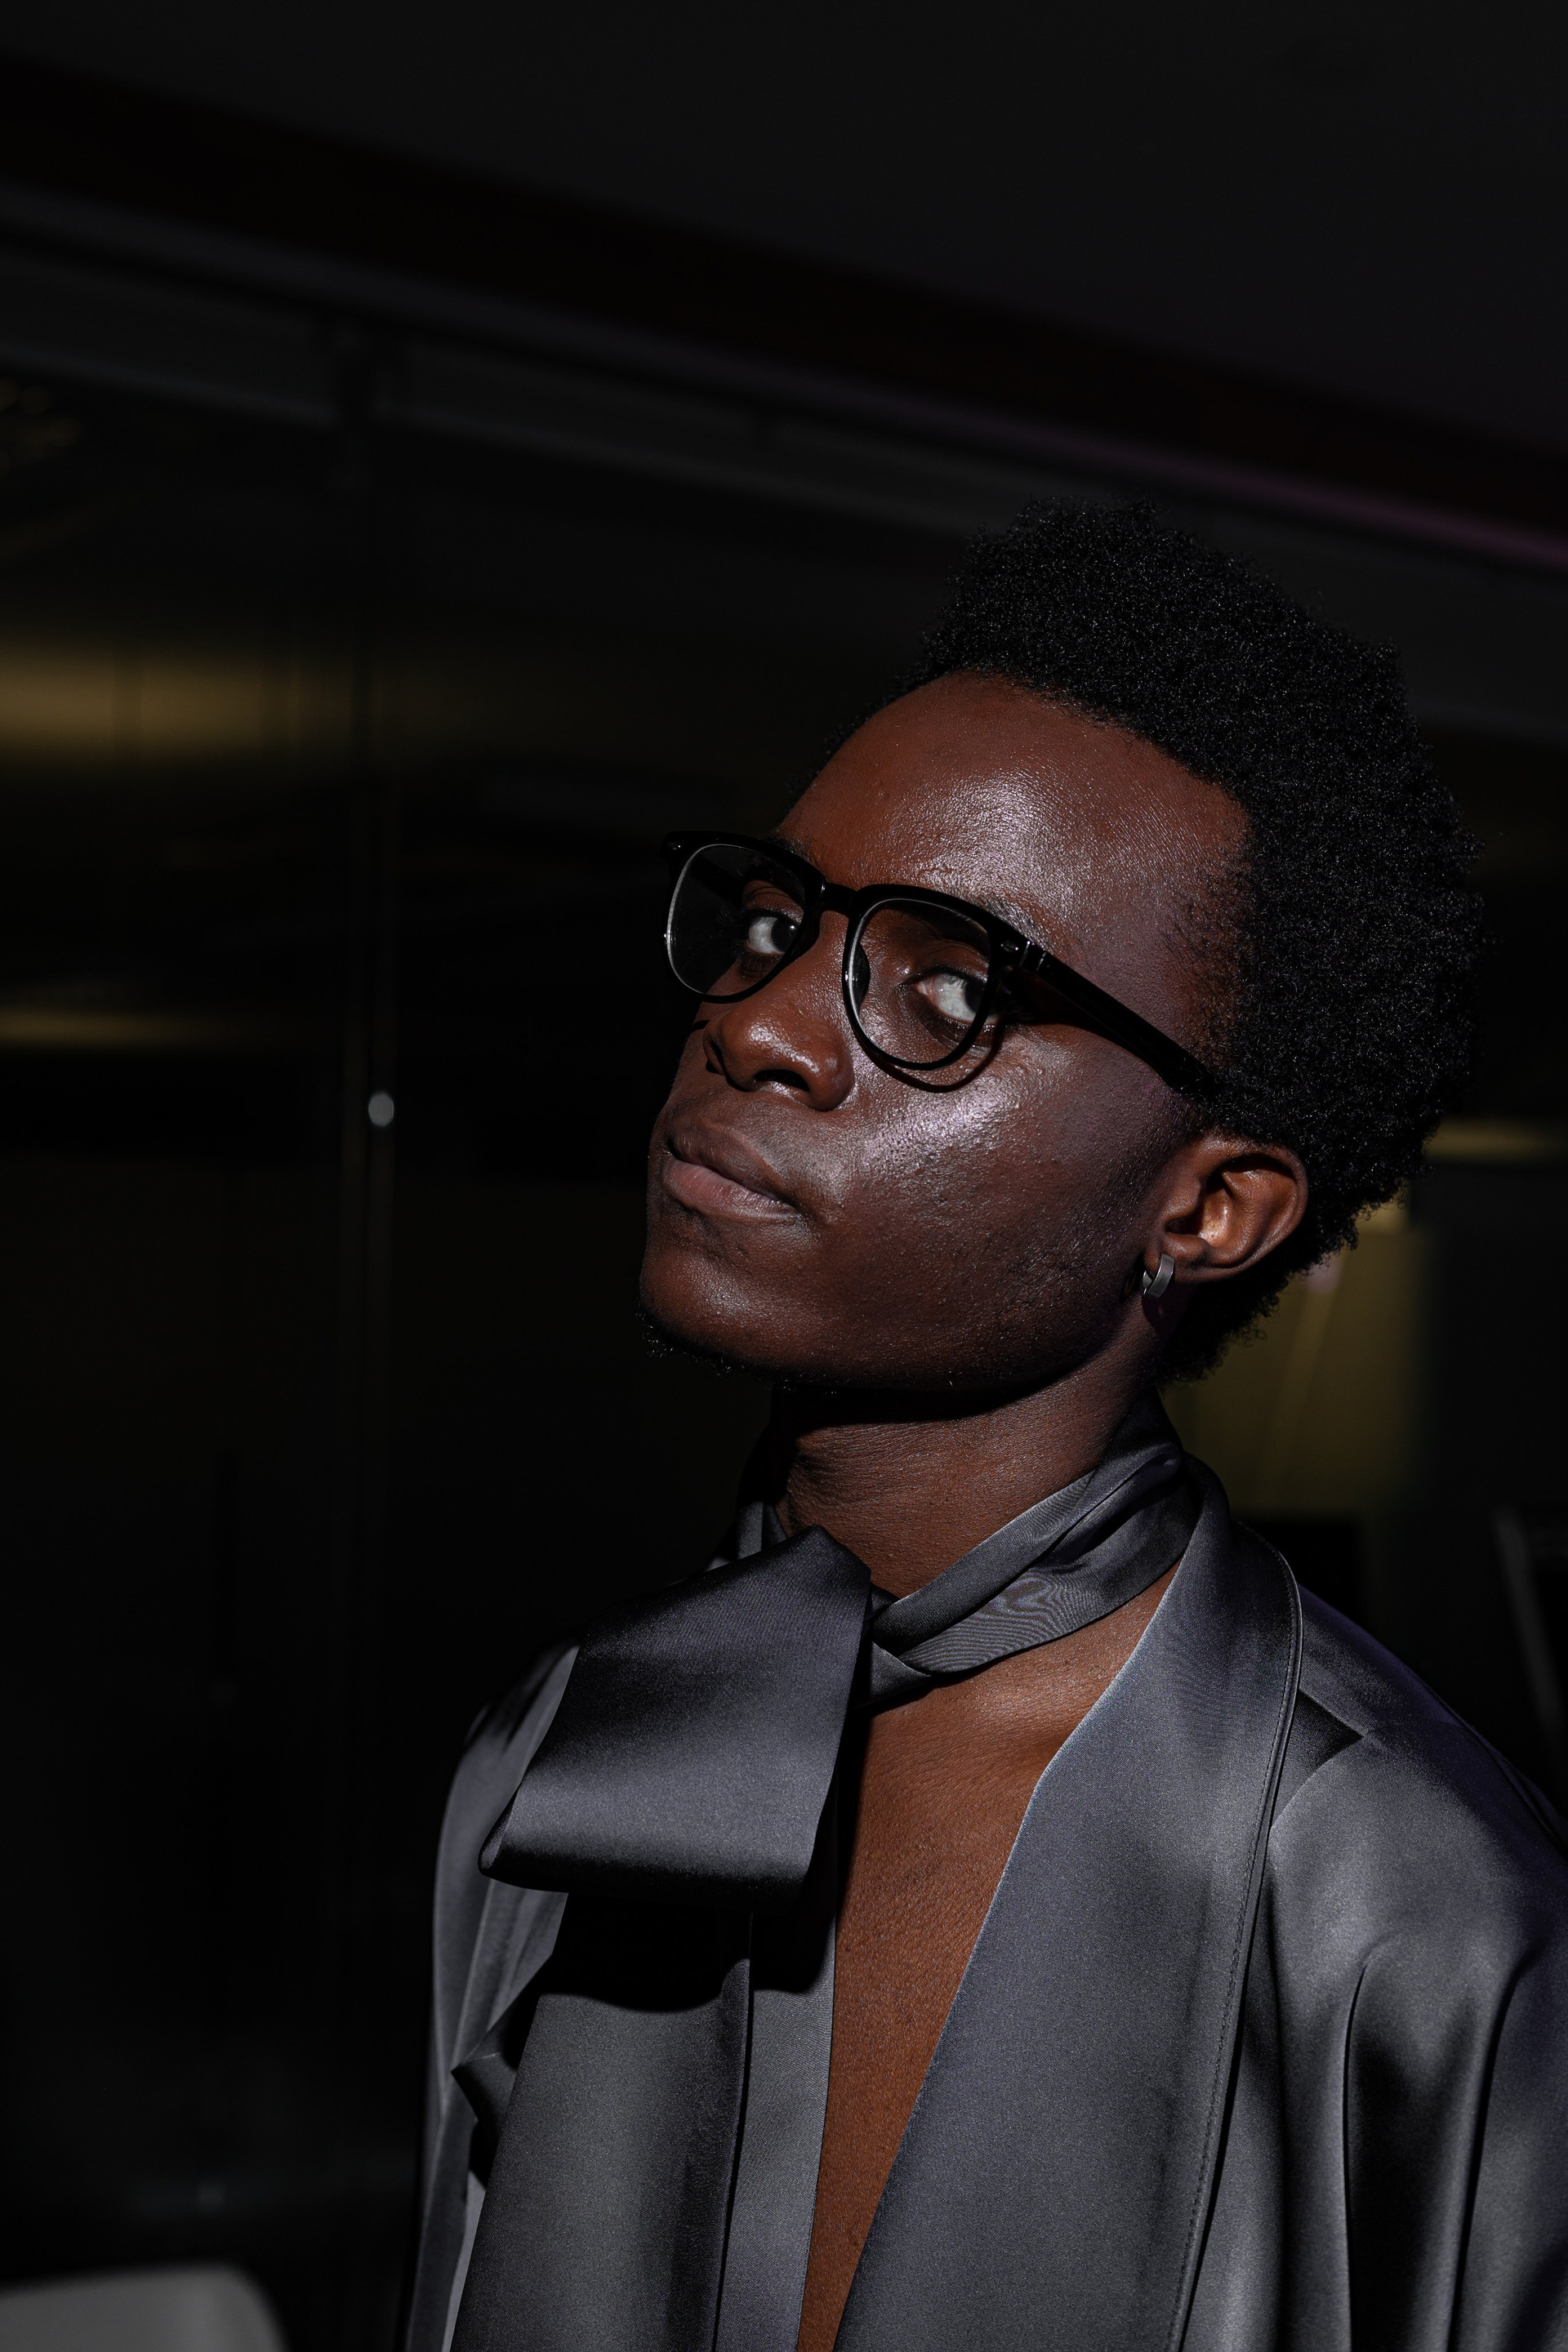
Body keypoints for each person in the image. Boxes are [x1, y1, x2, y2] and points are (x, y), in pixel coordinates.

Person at [405, 502, 1567, 2352]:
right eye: (780, 923)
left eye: (946, 991)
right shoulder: (558, 1761)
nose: (764, 1028)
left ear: (1210, 1210)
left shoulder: (1405, 1903)